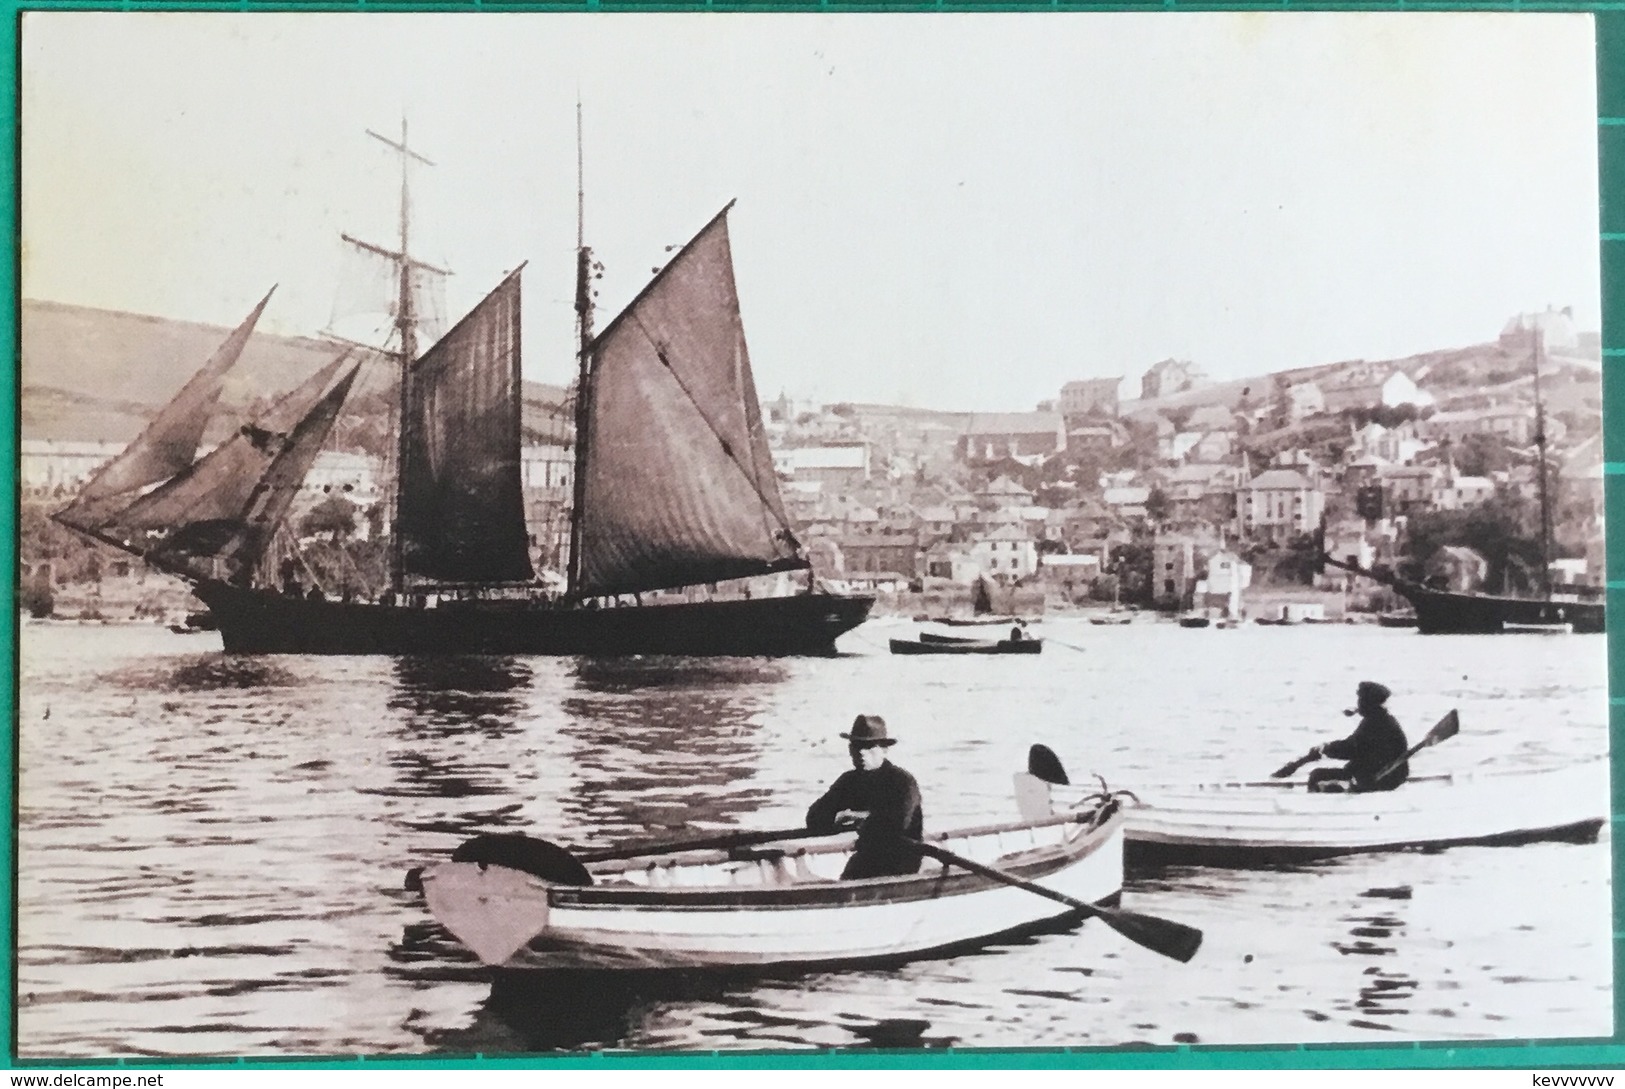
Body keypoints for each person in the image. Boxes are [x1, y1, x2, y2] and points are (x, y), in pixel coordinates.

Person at [806, 715, 925, 879]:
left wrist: (860, 818)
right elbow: (813, 818)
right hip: (866, 859)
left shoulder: (902, 782)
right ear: (850, 750)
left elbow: (898, 823)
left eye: (869, 746)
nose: (862, 752)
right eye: (857, 746)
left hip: (901, 861)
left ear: (884, 750)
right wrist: (836, 818)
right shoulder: (848, 781)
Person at [1307, 681, 1410, 793]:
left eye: (1361, 700)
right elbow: (1356, 745)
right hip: (1391, 776)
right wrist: (1328, 749)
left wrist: (1325, 749)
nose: (1358, 704)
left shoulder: (1374, 723)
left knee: (1316, 776)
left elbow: (1352, 748)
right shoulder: (1383, 720)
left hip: (1380, 778)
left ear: (1367, 702)